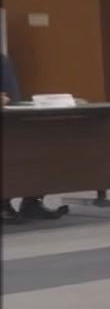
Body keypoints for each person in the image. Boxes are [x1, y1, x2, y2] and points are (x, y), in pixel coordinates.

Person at [0, 51, 61, 221]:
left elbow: (11, 97)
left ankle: (32, 201)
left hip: (11, 121)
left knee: (36, 147)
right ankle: (3, 205)